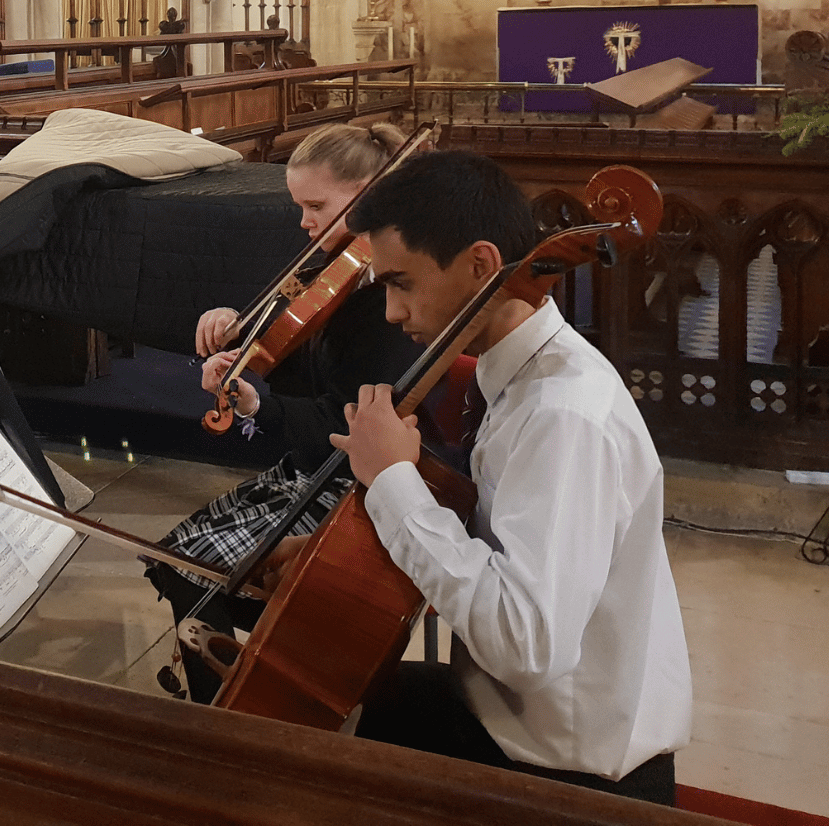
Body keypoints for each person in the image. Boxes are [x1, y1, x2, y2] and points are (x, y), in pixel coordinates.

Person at [319, 150, 691, 803]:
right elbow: (498, 551)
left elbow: (526, 646)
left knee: (311, 775)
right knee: (341, 704)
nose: (391, 313)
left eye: (401, 282)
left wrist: (393, 484)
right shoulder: (517, 376)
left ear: (483, 266)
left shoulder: (563, 416)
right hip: (512, 715)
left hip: (570, 775)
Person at [147, 123, 422, 704]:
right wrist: (235, 331)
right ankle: (235, 691)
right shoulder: (337, 278)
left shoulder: (388, 302)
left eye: (316, 205)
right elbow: (296, 365)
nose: (304, 222)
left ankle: (245, 706)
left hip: (356, 481)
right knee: (178, 551)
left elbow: (348, 423)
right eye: (299, 206)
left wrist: (259, 405)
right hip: (315, 467)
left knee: (194, 569)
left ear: (371, 194)